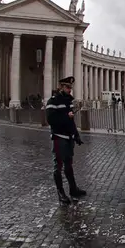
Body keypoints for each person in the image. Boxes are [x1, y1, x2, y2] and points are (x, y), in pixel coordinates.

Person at [45, 76, 86, 205]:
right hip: (59, 137)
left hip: (69, 138)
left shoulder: (69, 101)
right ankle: (60, 192)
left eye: (71, 87)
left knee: (69, 165)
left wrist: (76, 134)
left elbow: (71, 120)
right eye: (68, 87)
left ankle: (73, 189)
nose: (70, 90)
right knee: (58, 165)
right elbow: (51, 120)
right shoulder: (53, 101)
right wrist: (66, 116)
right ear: (61, 87)